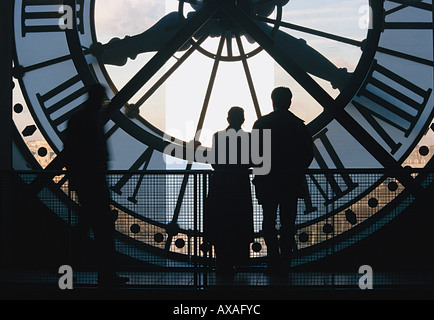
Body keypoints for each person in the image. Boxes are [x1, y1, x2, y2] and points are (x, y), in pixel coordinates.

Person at [64, 84, 129, 286]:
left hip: (86, 182)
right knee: (103, 232)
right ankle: (106, 275)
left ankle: (69, 273)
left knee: (85, 229)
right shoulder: (93, 120)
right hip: (95, 182)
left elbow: (71, 151)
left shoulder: (79, 120)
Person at [253, 87, 313, 275]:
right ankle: (285, 262)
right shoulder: (297, 125)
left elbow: (256, 154)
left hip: (268, 181)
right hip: (290, 182)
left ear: (273, 101)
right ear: (289, 101)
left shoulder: (262, 123)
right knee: (288, 224)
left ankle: (273, 260)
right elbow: (307, 154)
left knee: (268, 222)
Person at [204, 107, 254, 276]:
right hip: (240, 184)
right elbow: (251, 160)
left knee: (220, 224)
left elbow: (214, 162)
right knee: (238, 223)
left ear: (228, 118)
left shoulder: (218, 137)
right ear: (243, 119)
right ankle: (234, 261)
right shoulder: (248, 138)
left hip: (220, 184)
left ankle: (222, 263)